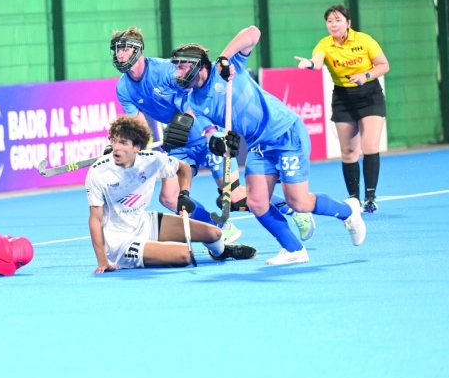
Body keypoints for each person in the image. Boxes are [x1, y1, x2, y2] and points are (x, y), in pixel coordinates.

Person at [170, 29, 366, 266]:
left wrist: (224, 57)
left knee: (299, 203)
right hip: (258, 146)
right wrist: (220, 143)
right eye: (176, 67)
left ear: (199, 66)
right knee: (257, 202)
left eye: (182, 66)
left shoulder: (230, 69)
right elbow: (210, 131)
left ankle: (348, 211)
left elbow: (253, 32)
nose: (177, 72)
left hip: (285, 133)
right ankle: (294, 250)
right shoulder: (193, 101)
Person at [111, 27, 315, 244]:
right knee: (169, 197)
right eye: (116, 50)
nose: (120, 54)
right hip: (179, 143)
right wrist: (128, 147)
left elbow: (194, 96)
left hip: (206, 135)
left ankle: (294, 210)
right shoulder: (123, 89)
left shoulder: (165, 70)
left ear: (138, 50)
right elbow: (141, 128)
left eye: (124, 49)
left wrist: (192, 125)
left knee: (235, 197)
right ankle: (219, 226)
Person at [86, 115, 256, 273]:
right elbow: (96, 219)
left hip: (144, 223)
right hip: (121, 243)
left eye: (123, 143)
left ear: (137, 147)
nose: (116, 147)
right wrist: (103, 261)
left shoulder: (152, 160)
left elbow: (183, 168)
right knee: (184, 255)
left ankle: (221, 252)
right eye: (114, 141)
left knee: (214, 234)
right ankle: (149, 253)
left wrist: (184, 194)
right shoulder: (99, 172)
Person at [296, 5, 389, 213]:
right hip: (343, 98)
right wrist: (309, 63)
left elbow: (383, 65)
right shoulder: (324, 44)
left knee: (370, 145)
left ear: (348, 23)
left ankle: (370, 198)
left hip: (369, 95)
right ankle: (354, 199)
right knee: (348, 152)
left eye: (338, 20)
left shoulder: (364, 40)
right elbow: (318, 62)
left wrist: (364, 76)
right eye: (329, 21)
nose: (333, 24)